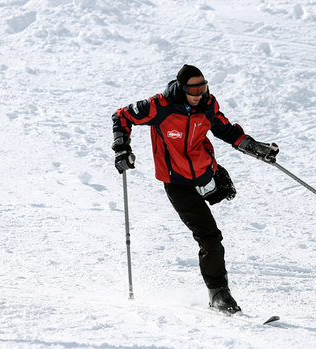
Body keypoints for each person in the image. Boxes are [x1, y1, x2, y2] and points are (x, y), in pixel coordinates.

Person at [111, 64, 278, 314]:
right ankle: (219, 294)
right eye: (194, 89)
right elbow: (122, 115)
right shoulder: (159, 107)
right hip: (177, 182)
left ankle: (213, 188)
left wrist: (254, 147)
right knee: (210, 236)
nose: (200, 93)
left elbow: (225, 129)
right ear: (181, 87)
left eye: (203, 87)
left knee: (226, 193)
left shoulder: (208, 105)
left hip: (207, 172)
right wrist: (122, 148)